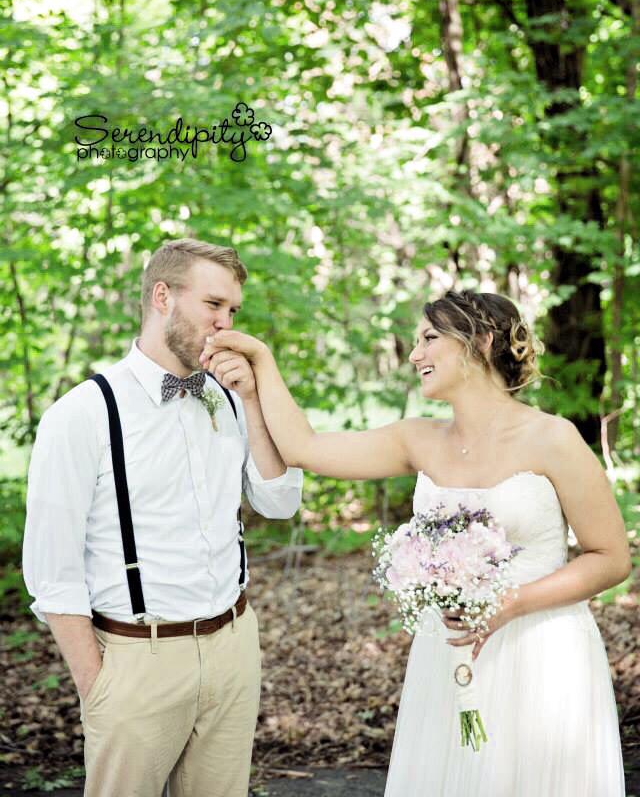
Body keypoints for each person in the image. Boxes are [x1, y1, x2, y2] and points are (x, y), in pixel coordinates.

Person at [200, 288, 631, 796]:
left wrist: (508, 605)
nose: (414, 355)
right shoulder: (416, 439)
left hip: (540, 652)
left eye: (429, 338)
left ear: (480, 341)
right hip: (446, 654)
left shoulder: (554, 439)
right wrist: (261, 367)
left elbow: (611, 558)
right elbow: (304, 448)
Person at [22, 238, 303, 797]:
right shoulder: (81, 414)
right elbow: (52, 572)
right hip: (136, 661)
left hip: (233, 648)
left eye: (233, 312)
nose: (226, 326)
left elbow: (280, 502)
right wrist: (98, 687)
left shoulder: (226, 397)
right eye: (213, 306)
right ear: (162, 297)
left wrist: (252, 400)